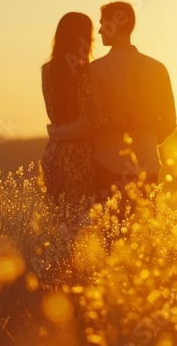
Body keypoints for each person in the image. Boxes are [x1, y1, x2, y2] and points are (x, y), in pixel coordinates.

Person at [48, 2, 177, 199]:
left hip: (107, 166)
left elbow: (92, 120)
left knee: (111, 228)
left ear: (114, 26)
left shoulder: (94, 70)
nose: (99, 30)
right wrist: (148, 139)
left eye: (103, 23)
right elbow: (169, 122)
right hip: (149, 163)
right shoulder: (158, 68)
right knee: (145, 226)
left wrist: (60, 133)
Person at [39, 12, 128, 210]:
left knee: (57, 217)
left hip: (53, 153)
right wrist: (123, 119)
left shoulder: (47, 70)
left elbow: (53, 113)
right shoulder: (84, 72)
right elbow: (92, 119)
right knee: (81, 219)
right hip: (79, 155)